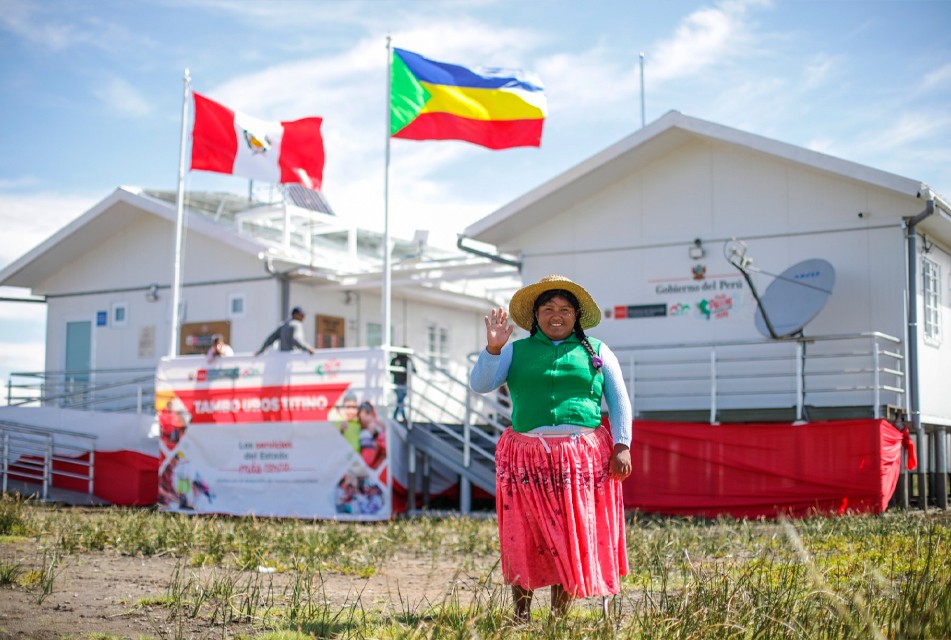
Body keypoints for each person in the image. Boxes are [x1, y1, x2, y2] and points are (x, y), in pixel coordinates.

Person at [469, 274, 633, 621]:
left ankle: (559, 617)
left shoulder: (598, 351)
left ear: (576, 316)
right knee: (523, 533)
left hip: (580, 458)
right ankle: (521, 614)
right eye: (547, 309)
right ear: (535, 317)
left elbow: (618, 400)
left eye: (564, 309)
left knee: (570, 533)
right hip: (525, 458)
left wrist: (622, 443)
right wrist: (493, 349)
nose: (555, 315)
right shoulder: (515, 350)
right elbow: (481, 384)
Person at [390, 349, 412, 421]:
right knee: (400, 400)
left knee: (400, 400)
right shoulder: (396, 360)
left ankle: (397, 416)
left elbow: (413, 370)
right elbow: (391, 370)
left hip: (403, 383)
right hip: (399, 383)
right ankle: (400, 416)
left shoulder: (407, 360)